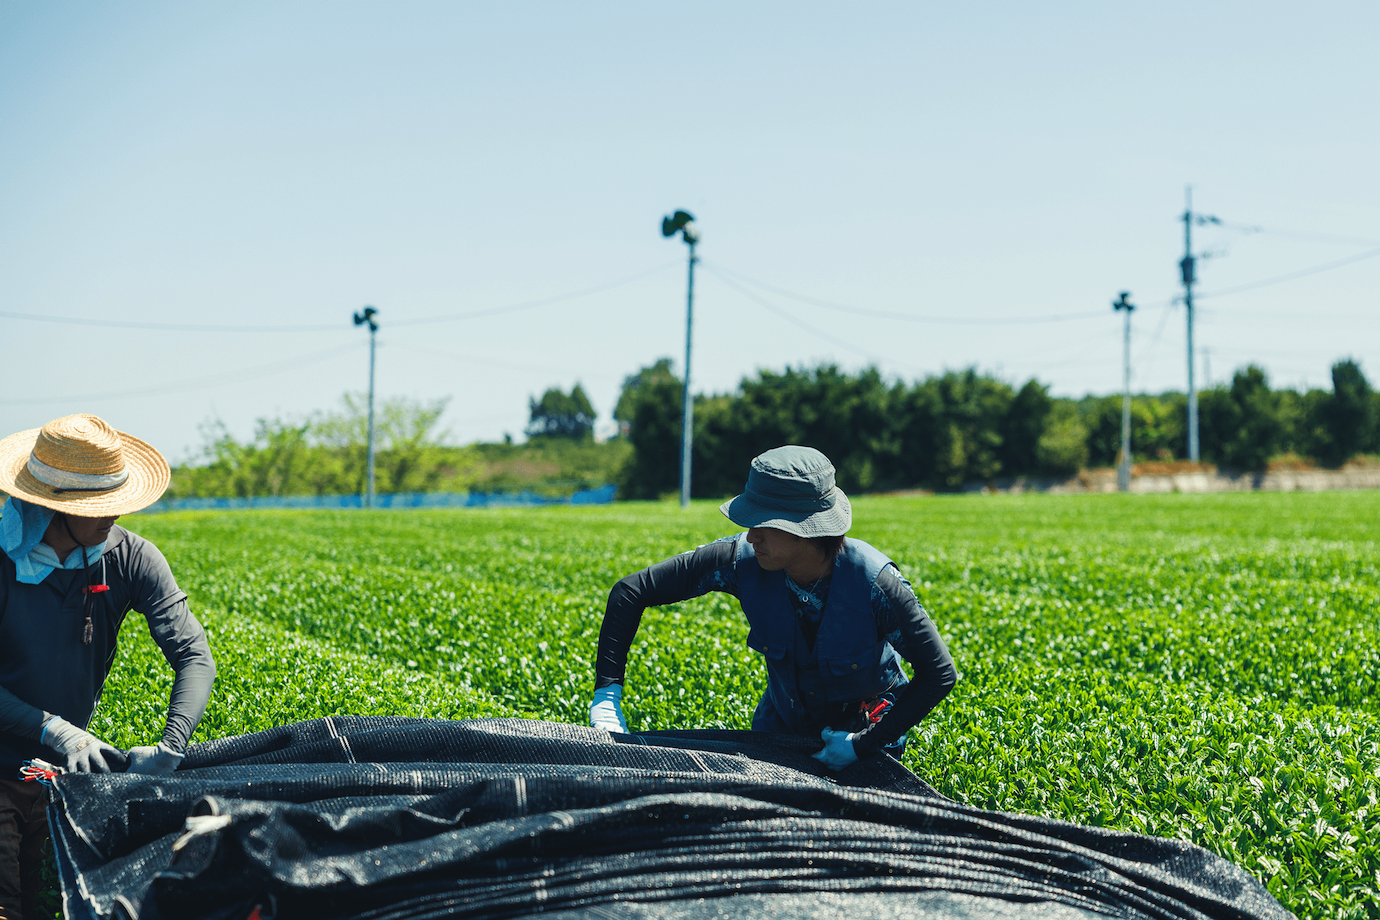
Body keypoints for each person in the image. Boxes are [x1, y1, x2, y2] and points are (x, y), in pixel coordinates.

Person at [589, 445, 957, 771]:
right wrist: (607, 697)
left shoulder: (874, 582)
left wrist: (862, 746)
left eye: (763, 523)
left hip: (865, 737)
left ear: (807, 528)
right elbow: (630, 591)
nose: (751, 535)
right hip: (778, 733)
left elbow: (938, 673)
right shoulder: (740, 560)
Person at [0, 414, 216, 920]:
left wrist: (172, 745)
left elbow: (193, 654)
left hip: (54, 780)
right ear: (53, 505)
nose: (112, 517)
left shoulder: (129, 558)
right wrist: (60, 731)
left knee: (50, 905)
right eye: (97, 507)